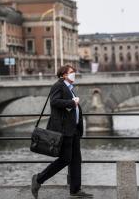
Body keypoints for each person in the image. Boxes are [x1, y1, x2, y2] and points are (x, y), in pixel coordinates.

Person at [31, 65, 93, 198]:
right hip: (64, 130)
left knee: (76, 160)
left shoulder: (70, 88)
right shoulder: (58, 86)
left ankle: (75, 190)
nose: (74, 74)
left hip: (74, 130)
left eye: (74, 72)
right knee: (65, 159)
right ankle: (38, 179)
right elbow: (54, 102)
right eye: (71, 72)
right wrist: (72, 103)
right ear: (64, 75)